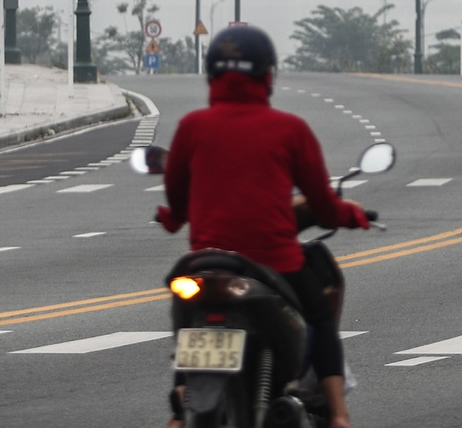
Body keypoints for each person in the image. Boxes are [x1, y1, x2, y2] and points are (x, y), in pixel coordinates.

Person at [157, 25, 370, 428]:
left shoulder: (191, 127)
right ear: (268, 75)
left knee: (188, 321)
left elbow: (177, 203)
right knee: (321, 317)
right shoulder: (290, 130)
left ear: (211, 73)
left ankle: (179, 407)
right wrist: (350, 215)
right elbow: (324, 206)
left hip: (203, 265)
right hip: (275, 263)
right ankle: (339, 415)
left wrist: (170, 219)